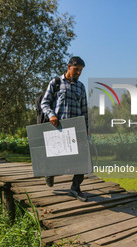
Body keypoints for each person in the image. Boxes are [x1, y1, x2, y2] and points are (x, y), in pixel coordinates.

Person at [41, 56, 89, 202]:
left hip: (76, 128)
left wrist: (86, 130)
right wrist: (51, 115)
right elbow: (45, 103)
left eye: (81, 70)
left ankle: (75, 188)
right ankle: (50, 172)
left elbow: (84, 110)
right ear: (68, 67)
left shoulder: (81, 87)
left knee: (83, 160)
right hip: (59, 128)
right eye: (76, 69)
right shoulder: (56, 83)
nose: (79, 73)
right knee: (57, 157)